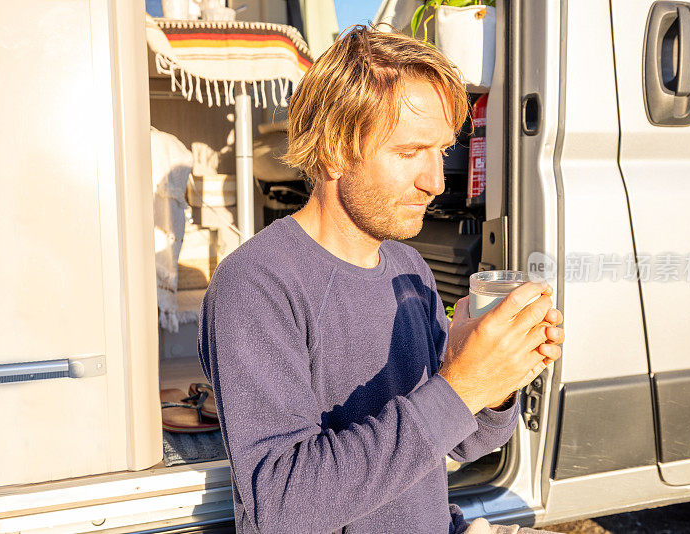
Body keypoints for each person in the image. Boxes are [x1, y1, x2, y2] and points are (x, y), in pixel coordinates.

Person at [198, 25, 565, 534]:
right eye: (409, 152)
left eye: (441, 151)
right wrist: (460, 387)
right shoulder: (256, 285)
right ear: (332, 150)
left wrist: (495, 381)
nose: (435, 182)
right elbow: (283, 506)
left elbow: (462, 442)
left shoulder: (409, 269)